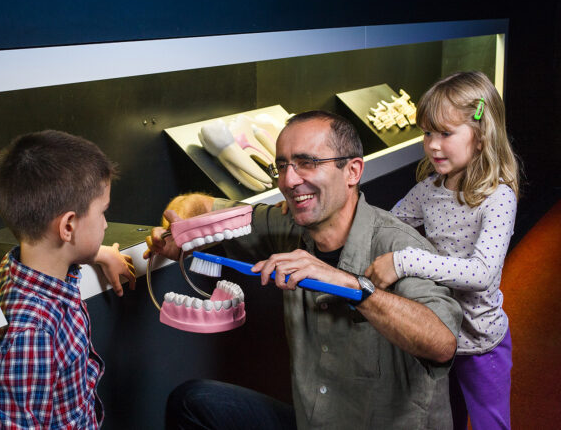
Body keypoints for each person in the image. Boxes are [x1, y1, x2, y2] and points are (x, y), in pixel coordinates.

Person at [149, 110, 463, 429]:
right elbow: (201, 206)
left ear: (352, 171)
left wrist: (350, 284)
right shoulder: (285, 224)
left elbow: (442, 343)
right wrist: (178, 228)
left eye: (307, 163)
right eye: (282, 166)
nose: (289, 180)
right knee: (194, 401)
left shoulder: (400, 247)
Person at [366, 72, 520, 430]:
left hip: (481, 345)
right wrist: (338, 205)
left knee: (490, 425)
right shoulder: (429, 189)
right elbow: (385, 225)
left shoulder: (498, 198)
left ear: (481, 137)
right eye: (427, 133)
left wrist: (403, 262)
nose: (432, 145)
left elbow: (481, 273)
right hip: (437, 337)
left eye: (445, 133)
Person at [0, 130, 136, 429]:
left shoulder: (17, 267)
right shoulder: (30, 335)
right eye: (102, 212)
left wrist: (99, 253)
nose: (106, 223)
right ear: (68, 226)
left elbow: (53, 247)